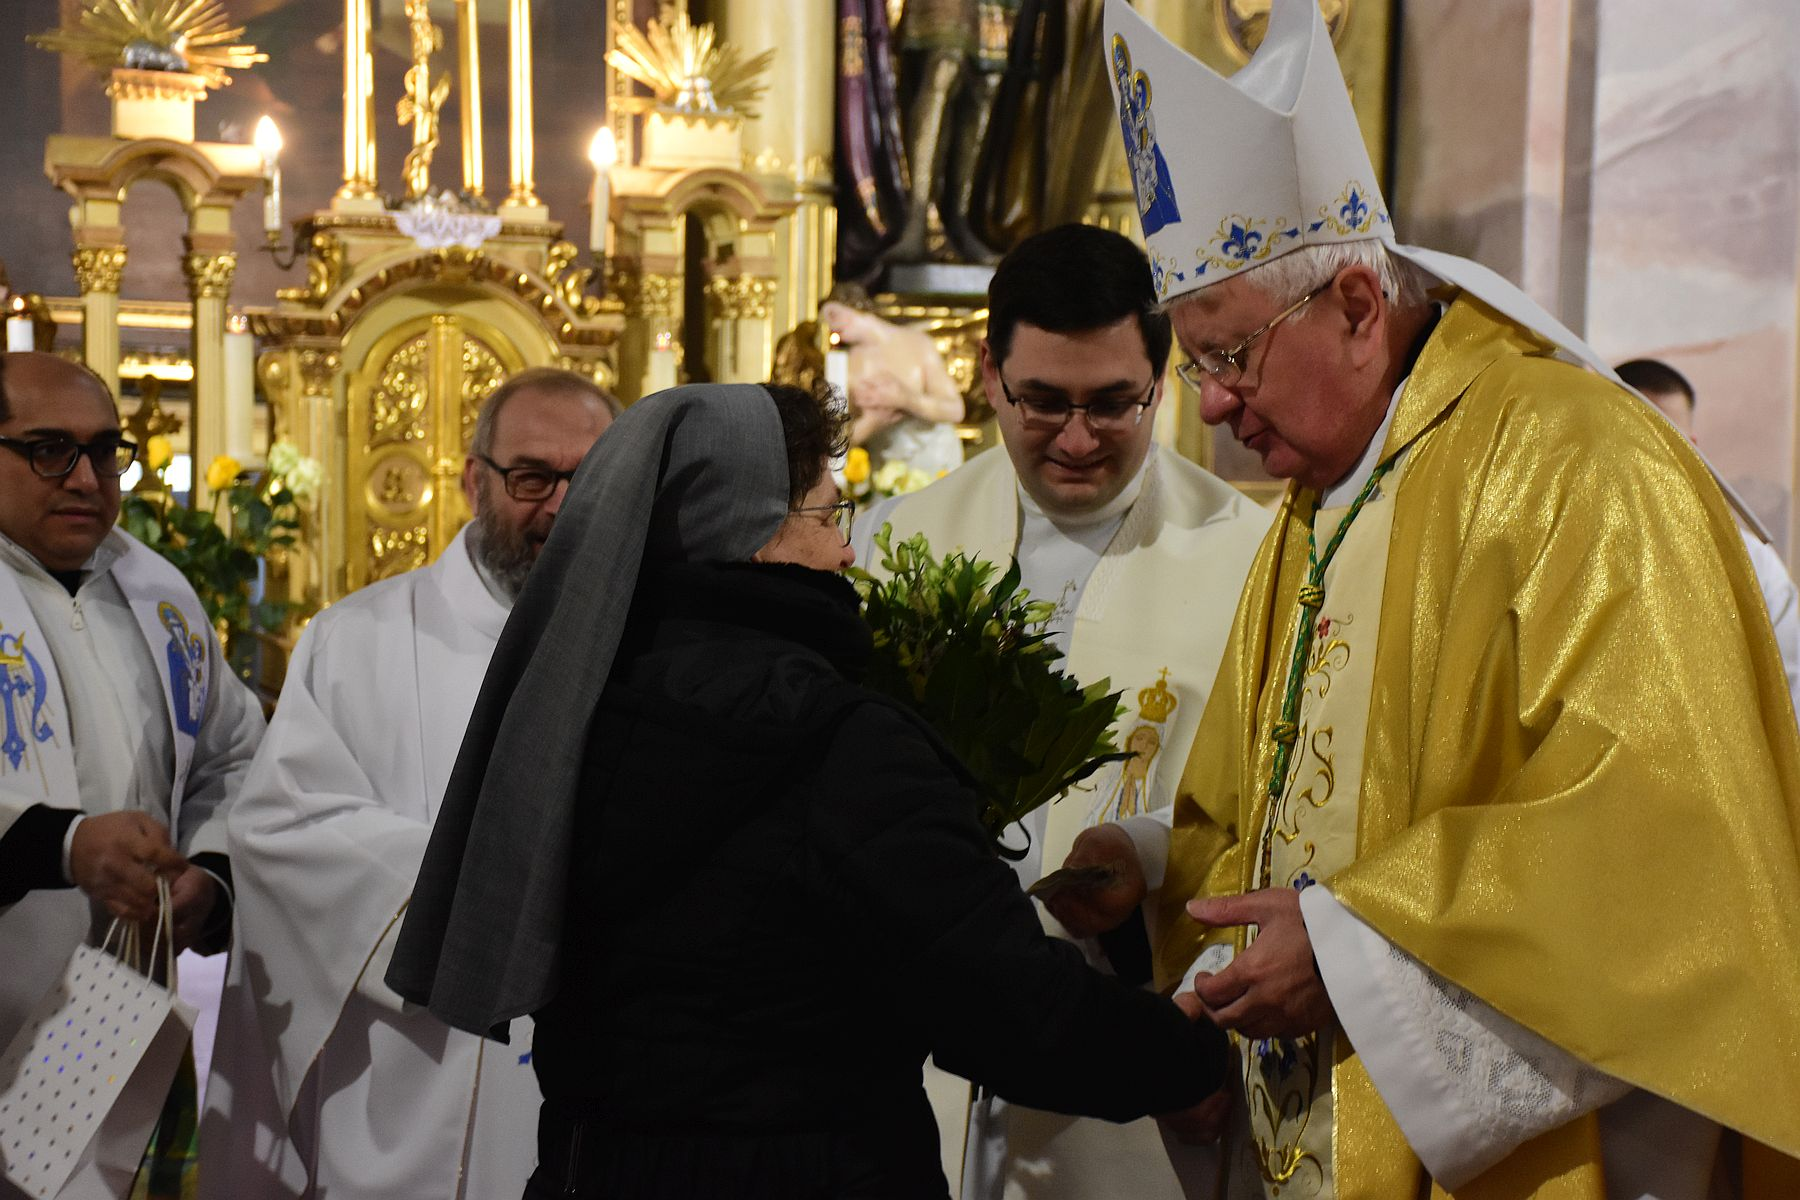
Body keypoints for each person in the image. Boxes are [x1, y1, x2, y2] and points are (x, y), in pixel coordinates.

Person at [1048, 1, 1800, 1195]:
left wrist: (1356, 956)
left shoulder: (1575, 460)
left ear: (1357, 305)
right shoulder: (1319, 501)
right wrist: (1167, 892)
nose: (1215, 406)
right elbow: (1254, 810)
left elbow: (1672, 827)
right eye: (1196, 367)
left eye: (1232, 356)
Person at [383, 382, 1237, 1199]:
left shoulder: (578, 709)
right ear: (754, 532)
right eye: (828, 518)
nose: (848, 551)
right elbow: (1005, 1007)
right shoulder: (834, 741)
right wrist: (1186, 1058)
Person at [853, 221, 1270, 1199]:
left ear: (1161, 385)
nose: (1077, 440)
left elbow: (1279, 815)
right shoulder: (890, 544)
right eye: (1042, 401)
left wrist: (1146, 856)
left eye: (1113, 403)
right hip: (913, 1064)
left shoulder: (1252, 560)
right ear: (988, 375)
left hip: (1140, 1050)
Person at [197, 368, 617, 1200]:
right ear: (473, 481)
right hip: (404, 1076)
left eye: (591, 478)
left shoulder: (654, 645)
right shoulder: (357, 642)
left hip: (602, 1078)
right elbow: (283, 831)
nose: (563, 506)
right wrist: (499, 894)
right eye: (533, 478)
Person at [0, 352, 264, 1187]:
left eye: (105, 451)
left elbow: (233, 756)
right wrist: (64, 846)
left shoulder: (159, 591)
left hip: (118, 1017)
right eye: (50, 450)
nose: (86, 479)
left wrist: (210, 875)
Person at [1615, 356, 1800, 720]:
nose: (1653, 454)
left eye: (1670, 438)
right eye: (1637, 436)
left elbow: (1791, 685)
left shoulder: (1750, 562)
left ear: (1693, 446)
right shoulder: (1562, 545)